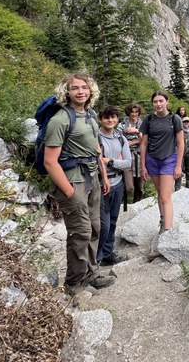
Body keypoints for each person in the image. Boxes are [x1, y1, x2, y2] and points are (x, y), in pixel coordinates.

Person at [44, 73, 114, 295]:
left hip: (92, 177)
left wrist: (103, 174)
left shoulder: (90, 115)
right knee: (81, 232)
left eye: (84, 87)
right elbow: (49, 161)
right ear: (67, 92)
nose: (80, 91)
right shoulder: (61, 120)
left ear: (91, 91)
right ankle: (73, 284)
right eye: (75, 88)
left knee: (95, 227)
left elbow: (96, 148)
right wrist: (68, 191)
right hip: (73, 181)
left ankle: (91, 273)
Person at [140, 90, 183, 233]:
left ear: (167, 102)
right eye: (155, 101)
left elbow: (181, 143)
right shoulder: (149, 120)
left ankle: (167, 230)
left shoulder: (174, 119)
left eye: (161, 101)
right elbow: (144, 143)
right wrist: (143, 166)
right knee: (160, 194)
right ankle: (163, 219)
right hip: (152, 160)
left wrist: (178, 166)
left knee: (165, 195)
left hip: (168, 160)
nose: (158, 104)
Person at [97, 105, 131, 266]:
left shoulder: (121, 138)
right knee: (103, 223)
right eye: (107, 117)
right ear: (100, 120)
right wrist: (117, 163)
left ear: (117, 119)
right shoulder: (95, 137)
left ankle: (107, 254)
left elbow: (128, 163)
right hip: (100, 184)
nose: (110, 120)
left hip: (117, 182)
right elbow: (95, 161)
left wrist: (109, 161)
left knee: (113, 220)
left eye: (113, 117)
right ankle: (97, 257)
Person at [120, 102, 145, 203]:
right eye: (132, 112)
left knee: (139, 185)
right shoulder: (122, 125)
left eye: (136, 112)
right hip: (126, 155)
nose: (134, 114)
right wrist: (136, 141)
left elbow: (146, 139)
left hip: (140, 156)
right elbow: (119, 142)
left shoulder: (143, 124)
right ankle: (122, 204)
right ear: (128, 113)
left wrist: (136, 131)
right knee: (128, 186)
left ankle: (137, 205)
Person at [175, 116, 189, 191]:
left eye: (187, 122)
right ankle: (177, 185)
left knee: (188, 168)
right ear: (182, 122)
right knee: (179, 168)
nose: (186, 123)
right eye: (185, 122)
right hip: (179, 152)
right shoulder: (179, 130)